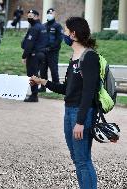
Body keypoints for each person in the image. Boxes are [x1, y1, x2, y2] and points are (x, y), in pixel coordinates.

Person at [30, 17, 99, 189]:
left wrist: (81, 122)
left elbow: (89, 92)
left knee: (83, 160)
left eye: (65, 31)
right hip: (69, 111)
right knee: (77, 159)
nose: (63, 34)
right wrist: (42, 82)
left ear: (73, 34)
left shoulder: (89, 56)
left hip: (81, 114)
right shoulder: (74, 57)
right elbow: (66, 90)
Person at [21, 9, 48, 102]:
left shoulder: (34, 28)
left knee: (32, 75)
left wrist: (24, 56)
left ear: (36, 16)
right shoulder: (42, 27)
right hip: (41, 54)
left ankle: (34, 95)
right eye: (28, 17)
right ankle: (34, 94)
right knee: (35, 74)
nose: (29, 18)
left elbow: (29, 44)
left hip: (34, 55)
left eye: (31, 17)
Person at [39, 8, 63, 92]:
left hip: (53, 52)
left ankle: (57, 88)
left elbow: (59, 39)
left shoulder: (57, 26)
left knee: (53, 70)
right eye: (48, 13)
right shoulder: (43, 26)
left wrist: (51, 48)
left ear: (54, 14)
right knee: (42, 70)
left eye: (51, 13)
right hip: (43, 52)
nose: (50, 14)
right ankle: (43, 87)